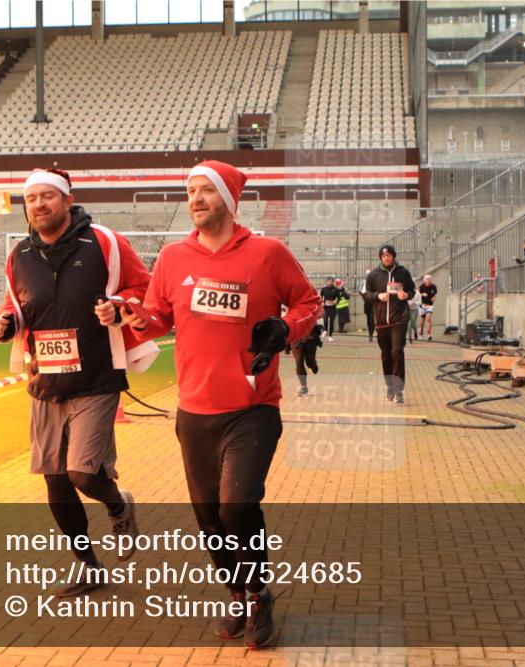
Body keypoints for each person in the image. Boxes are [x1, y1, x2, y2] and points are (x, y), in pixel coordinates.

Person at [121, 160, 321, 649]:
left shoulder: (267, 253)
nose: (195, 199)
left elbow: (308, 303)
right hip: (195, 410)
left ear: (228, 199)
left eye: (205, 190)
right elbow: (157, 317)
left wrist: (285, 330)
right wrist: (135, 317)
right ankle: (238, 593)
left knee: (237, 504)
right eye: (189, 191)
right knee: (209, 517)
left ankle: (258, 596)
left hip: (252, 406)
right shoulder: (172, 258)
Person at [0, 168, 158, 596]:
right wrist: (5, 323)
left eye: (49, 196)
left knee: (82, 474)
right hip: (45, 383)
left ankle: (119, 507)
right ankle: (88, 564)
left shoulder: (103, 241)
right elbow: (16, 304)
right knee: (56, 482)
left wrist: (117, 306)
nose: (40, 205)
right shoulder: (18, 255)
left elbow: (145, 288)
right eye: (32, 199)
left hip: (96, 378)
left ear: (68, 199)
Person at [363, 244, 415, 404]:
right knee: (386, 355)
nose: (387, 258)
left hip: (399, 319)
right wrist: (378, 296)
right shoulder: (373, 275)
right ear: (380, 257)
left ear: (393, 256)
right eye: (384, 255)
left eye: (389, 255)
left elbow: (412, 290)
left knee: (397, 351)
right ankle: (390, 386)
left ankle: (399, 390)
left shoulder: (403, 272)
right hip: (381, 321)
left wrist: (406, 295)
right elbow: (365, 294)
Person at [290, 323, 324, 396]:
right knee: (299, 361)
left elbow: (321, 312)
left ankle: (313, 364)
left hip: (310, 335)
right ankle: (304, 387)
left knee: (309, 363)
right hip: (296, 336)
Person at [319, 277, 340, 341]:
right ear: (327, 282)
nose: (330, 283)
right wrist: (322, 302)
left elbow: (339, 297)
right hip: (326, 307)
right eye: (329, 281)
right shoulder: (324, 289)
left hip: (333, 307)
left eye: (332, 281)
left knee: (331, 321)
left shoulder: (336, 289)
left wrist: (336, 301)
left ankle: (330, 335)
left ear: (333, 282)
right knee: (325, 319)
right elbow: (321, 296)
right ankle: (325, 330)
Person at [417, 274, 437, 341]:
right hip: (422, 305)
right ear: (424, 280)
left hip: (429, 305)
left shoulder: (433, 287)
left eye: (429, 279)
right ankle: (420, 333)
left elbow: (434, 295)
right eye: (427, 279)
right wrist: (422, 294)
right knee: (422, 320)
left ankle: (429, 335)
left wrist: (434, 298)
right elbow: (418, 294)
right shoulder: (421, 287)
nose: (428, 281)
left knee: (428, 319)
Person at [359, 269, 375, 341]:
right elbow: (360, 291)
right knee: (369, 318)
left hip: (374, 302)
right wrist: (364, 297)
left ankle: (372, 332)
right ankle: (370, 334)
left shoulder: (375, 282)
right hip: (367, 302)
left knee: (373, 318)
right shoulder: (364, 282)